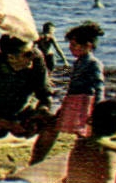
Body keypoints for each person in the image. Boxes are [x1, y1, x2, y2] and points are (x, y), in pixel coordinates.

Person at [0, 33, 55, 165]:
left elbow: (45, 96)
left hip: (24, 112)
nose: (33, 56)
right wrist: (8, 125)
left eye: (33, 50)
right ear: (11, 57)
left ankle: (35, 164)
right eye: (27, 54)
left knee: (52, 122)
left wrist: (40, 112)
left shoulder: (36, 59)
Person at [30, 23, 106, 165]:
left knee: (84, 135)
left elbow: (99, 88)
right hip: (73, 101)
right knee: (53, 127)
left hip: (85, 104)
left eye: (74, 45)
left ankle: (86, 165)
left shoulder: (94, 63)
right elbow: (72, 84)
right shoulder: (79, 62)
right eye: (70, 45)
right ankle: (37, 160)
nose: (70, 48)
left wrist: (98, 110)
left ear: (88, 46)